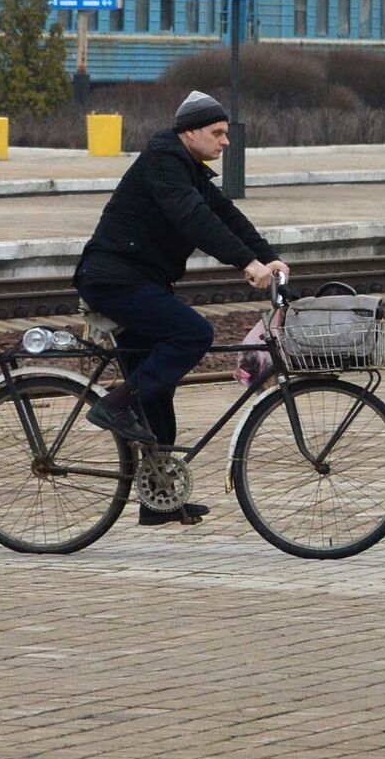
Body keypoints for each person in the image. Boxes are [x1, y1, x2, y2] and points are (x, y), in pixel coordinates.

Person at [73, 90, 290, 526]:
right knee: (193, 333)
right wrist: (245, 264)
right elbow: (194, 219)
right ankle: (114, 405)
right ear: (189, 132)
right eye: (217, 132)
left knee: (158, 391)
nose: (225, 141)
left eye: (225, 133)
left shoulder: (188, 167)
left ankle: (158, 501)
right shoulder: (164, 162)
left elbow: (226, 216)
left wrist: (267, 257)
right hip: (114, 280)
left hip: (139, 280)